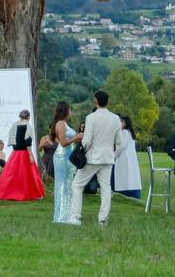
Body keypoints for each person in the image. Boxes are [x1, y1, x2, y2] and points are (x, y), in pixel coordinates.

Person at [67, 90, 121, 226]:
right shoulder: (115, 118)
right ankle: (103, 219)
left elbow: (86, 140)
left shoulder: (91, 117)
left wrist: (81, 150)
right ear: (107, 101)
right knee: (105, 187)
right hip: (108, 157)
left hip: (92, 157)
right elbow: (119, 140)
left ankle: (75, 217)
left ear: (95, 101)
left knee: (77, 185)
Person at [0, 109, 44, 201]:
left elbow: (12, 139)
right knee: (29, 174)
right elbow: (28, 141)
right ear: (28, 117)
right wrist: (30, 155)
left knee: (12, 174)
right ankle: (33, 193)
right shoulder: (28, 125)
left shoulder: (15, 124)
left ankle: (9, 192)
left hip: (15, 154)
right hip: (25, 153)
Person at [49, 102, 81, 222]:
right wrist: (77, 137)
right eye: (70, 109)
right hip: (62, 156)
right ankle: (61, 216)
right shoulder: (61, 124)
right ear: (65, 111)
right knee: (62, 184)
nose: (71, 112)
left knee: (67, 185)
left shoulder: (63, 123)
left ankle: (66, 213)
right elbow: (63, 142)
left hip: (67, 156)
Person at [112, 114, 142, 199]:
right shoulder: (130, 133)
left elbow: (121, 146)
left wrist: (113, 155)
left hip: (123, 158)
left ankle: (125, 195)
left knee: (125, 178)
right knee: (130, 178)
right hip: (129, 158)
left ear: (125, 123)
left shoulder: (124, 132)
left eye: (121, 122)